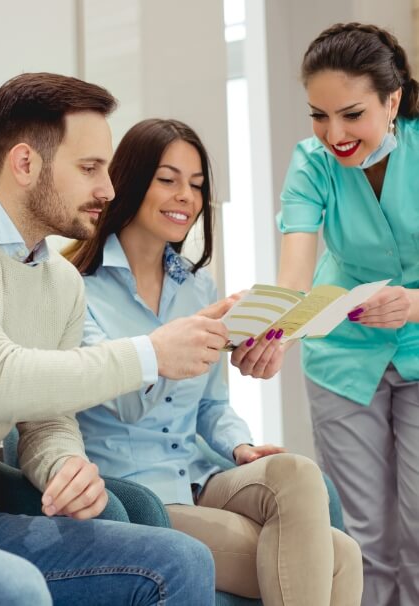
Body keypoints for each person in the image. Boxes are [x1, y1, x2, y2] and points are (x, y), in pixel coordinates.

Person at [0, 73, 225, 606]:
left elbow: (47, 418)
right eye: (90, 168)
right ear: (26, 163)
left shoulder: (60, 282)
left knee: (180, 559)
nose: (108, 188)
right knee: (13, 589)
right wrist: (149, 353)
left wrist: (63, 465)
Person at [65, 118, 363, 605]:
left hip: (200, 475)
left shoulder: (197, 287)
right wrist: (177, 342)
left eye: (197, 184)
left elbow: (211, 406)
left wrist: (240, 446)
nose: (186, 195)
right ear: (130, 180)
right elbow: (124, 405)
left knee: (299, 474)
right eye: (168, 179)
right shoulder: (76, 288)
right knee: (340, 559)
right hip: (136, 494)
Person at [275, 22, 419, 606]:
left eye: (351, 114)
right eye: (318, 115)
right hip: (341, 352)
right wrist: (271, 333)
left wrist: (413, 303)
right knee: (364, 537)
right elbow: (293, 277)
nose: (333, 134)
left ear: (394, 100)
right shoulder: (311, 164)